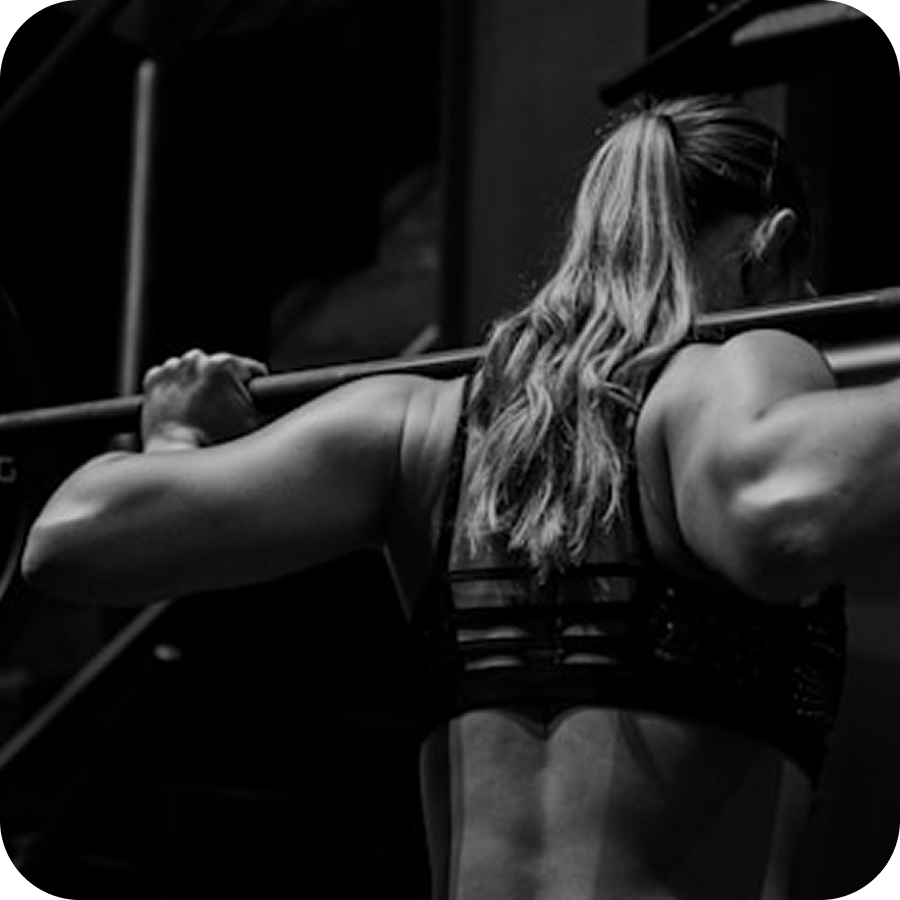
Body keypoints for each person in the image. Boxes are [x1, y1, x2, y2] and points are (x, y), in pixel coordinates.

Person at [23, 94, 872, 899]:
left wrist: (175, 438)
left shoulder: (414, 428)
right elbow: (783, 517)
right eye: (801, 282)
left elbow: (71, 534)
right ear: (771, 248)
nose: (806, 309)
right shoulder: (744, 367)